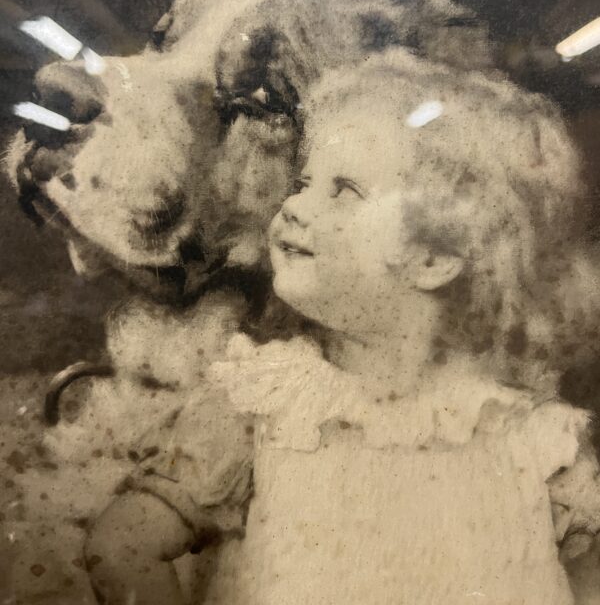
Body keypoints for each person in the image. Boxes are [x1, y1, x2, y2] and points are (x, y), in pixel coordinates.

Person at [86, 50, 600, 604]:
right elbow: (121, 548)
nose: (294, 206)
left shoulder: (540, 444)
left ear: (433, 257)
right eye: (304, 182)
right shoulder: (260, 408)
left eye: (344, 190)